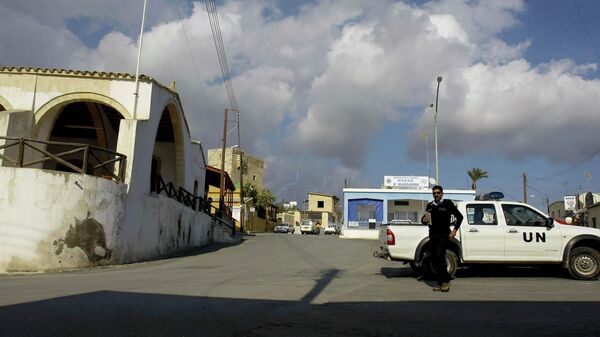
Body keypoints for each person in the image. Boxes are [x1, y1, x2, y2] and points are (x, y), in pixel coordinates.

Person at [421, 185, 464, 292]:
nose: (436, 194)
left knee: (440, 257)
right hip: (433, 235)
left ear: (442, 193)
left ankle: (445, 282)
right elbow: (424, 219)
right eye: (434, 193)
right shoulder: (430, 206)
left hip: (443, 235)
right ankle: (439, 282)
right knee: (435, 259)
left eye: (438, 193)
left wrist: (455, 230)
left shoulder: (448, 204)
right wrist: (424, 220)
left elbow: (460, 217)